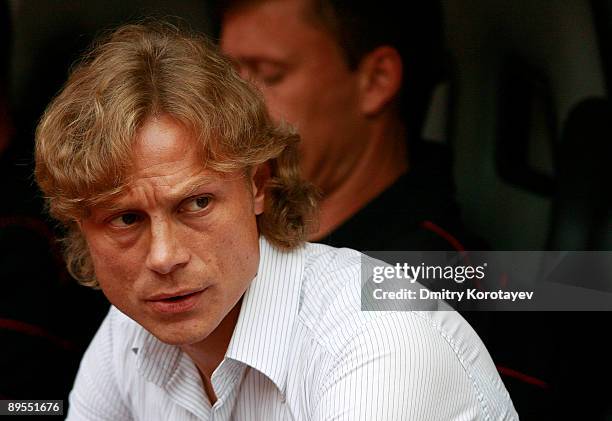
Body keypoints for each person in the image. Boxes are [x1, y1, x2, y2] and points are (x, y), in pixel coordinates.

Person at [35, 22, 516, 419]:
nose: (164, 257)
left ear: (258, 185)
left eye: (197, 203)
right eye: (125, 218)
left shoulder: (377, 342)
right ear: (81, 229)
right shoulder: (130, 332)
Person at [218, 0, 469, 251]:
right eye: (229, 75)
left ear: (376, 80)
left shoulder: (428, 278)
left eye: (270, 73)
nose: (234, 106)